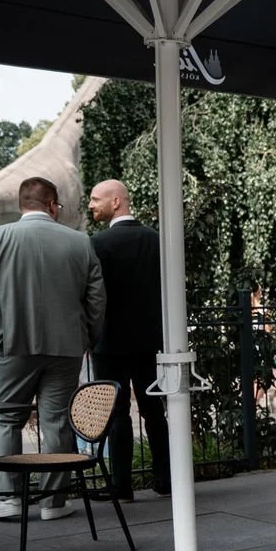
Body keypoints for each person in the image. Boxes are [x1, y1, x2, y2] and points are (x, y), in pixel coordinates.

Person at [0, 176, 105, 520]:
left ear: (23, 204)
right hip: (66, 347)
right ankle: (54, 502)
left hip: (11, 344)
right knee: (56, 421)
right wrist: (87, 338)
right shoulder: (80, 242)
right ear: (51, 205)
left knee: (7, 419)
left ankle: (8, 500)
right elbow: (97, 300)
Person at [86, 179, 170, 501]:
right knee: (154, 410)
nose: (92, 205)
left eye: (96, 199)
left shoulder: (96, 243)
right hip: (150, 339)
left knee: (116, 412)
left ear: (117, 201)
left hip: (109, 342)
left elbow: (91, 294)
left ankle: (121, 485)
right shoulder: (156, 240)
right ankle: (165, 478)